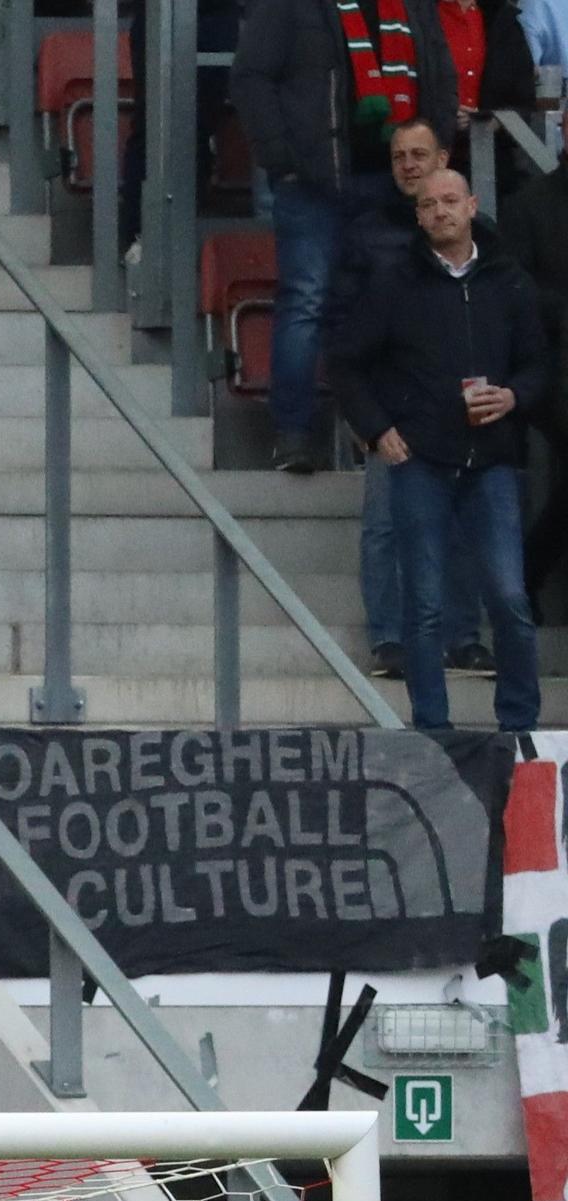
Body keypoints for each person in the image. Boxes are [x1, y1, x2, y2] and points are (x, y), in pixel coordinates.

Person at [336, 165, 547, 734]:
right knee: (423, 607)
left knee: (509, 599)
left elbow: (540, 363)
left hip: (493, 462)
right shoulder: (393, 282)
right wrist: (378, 429)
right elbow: (346, 361)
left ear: (472, 205)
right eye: (428, 204)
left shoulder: (510, 281)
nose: (439, 211)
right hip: (421, 461)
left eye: (450, 200)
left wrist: (514, 395)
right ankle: (433, 730)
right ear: (418, 214)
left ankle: (520, 727)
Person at [233, 0, 461, 473]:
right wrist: (284, 159)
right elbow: (252, 76)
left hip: (394, 184)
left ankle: (384, 432)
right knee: (308, 300)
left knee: (389, 309)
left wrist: (434, 151)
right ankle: (294, 434)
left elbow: (439, 75)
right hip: (314, 181)